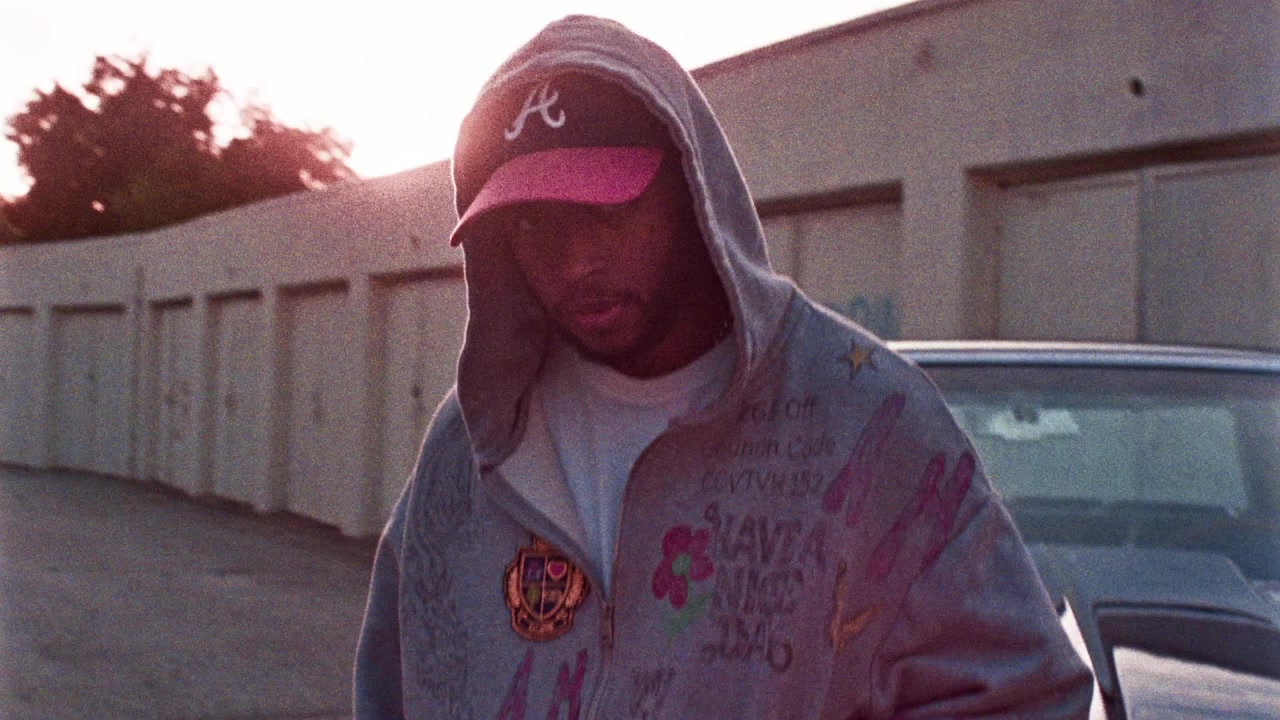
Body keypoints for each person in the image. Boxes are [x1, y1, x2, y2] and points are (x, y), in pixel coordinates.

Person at [354, 15, 1093, 719]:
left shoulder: (866, 418)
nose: (574, 261)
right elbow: (393, 687)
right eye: (530, 223)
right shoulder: (476, 441)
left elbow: (1023, 696)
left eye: (607, 208)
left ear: (692, 191)